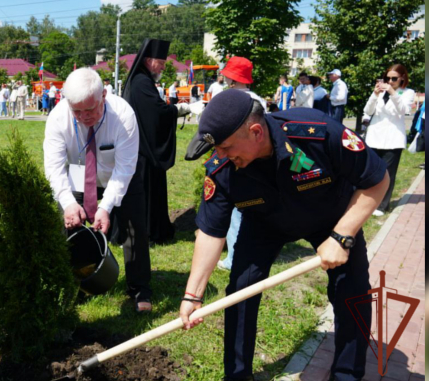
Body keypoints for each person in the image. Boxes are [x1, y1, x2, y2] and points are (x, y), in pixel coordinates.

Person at [178, 89, 390, 381]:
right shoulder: (222, 169)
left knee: (352, 291)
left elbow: (378, 179)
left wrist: (342, 236)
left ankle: (346, 376)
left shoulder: (317, 134)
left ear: (255, 132)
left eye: (226, 147)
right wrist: (193, 295)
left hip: (332, 219)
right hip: (263, 223)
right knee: (241, 290)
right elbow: (211, 232)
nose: (220, 156)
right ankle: (237, 376)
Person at [43, 67, 144, 309]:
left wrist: (106, 206)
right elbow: (54, 168)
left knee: (134, 230)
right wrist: (68, 203)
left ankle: (140, 289)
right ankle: (75, 284)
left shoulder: (124, 115)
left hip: (119, 177)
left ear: (104, 97)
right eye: (76, 111)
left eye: (91, 110)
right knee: (71, 229)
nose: (84, 117)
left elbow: (124, 169)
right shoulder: (57, 119)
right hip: (77, 177)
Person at [184, 55, 264, 270]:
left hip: (231, 161)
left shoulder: (228, 99)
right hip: (256, 161)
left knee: (234, 209)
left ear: (233, 79)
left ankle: (233, 257)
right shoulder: (260, 100)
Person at [120, 38, 191, 253]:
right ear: (149, 60)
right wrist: (180, 109)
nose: (162, 66)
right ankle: (150, 231)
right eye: (160, 61)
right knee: (146, 193)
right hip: (144, 152)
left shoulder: (142, 79)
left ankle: (155, 228)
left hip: (142, 147)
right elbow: (157, 112)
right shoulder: (141, 82)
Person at [362, 64, 416, 216]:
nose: (390, 81)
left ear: (402, 78)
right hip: (374, 136)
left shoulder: (407, 93)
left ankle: (382, 205)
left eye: (394, 78)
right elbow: (368, 111)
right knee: (372, 171)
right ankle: (370, 201)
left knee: (387, 173)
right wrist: (374, 94)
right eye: (387, 78)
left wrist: (393, 92)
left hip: (393, 138)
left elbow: (404, 110)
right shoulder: (380, 93)